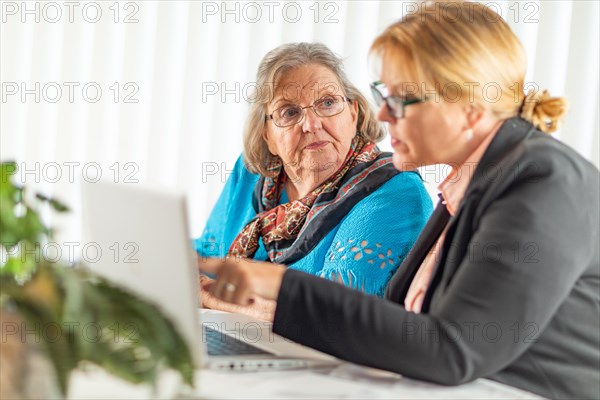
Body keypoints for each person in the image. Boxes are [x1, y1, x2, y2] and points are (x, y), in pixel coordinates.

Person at [199, 3, 600, 399]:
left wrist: (279, 284)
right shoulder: (465, 186)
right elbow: (402, 324)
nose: (383, 114)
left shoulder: (543, 180)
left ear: (470, 109)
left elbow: (454, 350)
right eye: (383, 95)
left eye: (401, 99)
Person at [195, 43, 433, 320]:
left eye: (328, 103)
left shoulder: (394, 191)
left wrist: (210, 296)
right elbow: (207, 256)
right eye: (289, 112)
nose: (311, 124)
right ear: (267, 136)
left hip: (329, 359)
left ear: (353, 113)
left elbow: (330, 313)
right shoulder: (251, 173)